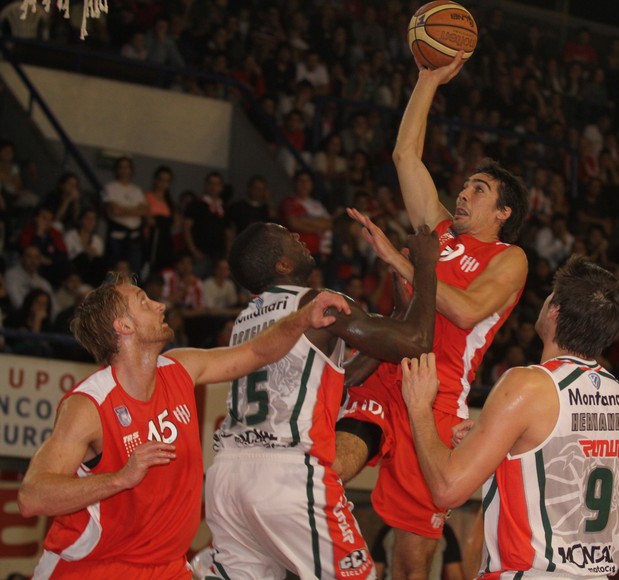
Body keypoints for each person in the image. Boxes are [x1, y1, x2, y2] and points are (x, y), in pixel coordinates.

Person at [16, 270, 351, 578]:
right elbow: (32, 496)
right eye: (144, 303)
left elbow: (256, 353)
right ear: (124, 326)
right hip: (92, 568)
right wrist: (119, 478)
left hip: (166, 568)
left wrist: (302, 318)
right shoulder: (88, 405)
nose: (161, 305)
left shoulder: (181, 367)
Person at [335, 51, 530, 578]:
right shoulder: (440, 230)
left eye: (479, 190)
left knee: (411, 555)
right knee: (328, 469)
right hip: (387, 371)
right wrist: (427, 80)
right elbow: (405, 155)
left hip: (437, 398)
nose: (463, 193)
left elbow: (466, 312)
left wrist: (401, 260)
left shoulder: (510, 260)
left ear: (503, 213)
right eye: (465, 186)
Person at [204, 222, 439, 580]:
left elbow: (336, 382)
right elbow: (418, 341)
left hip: (228, 476)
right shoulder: (314, 302)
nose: (300, 237)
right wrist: (426, 266)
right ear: (282, 266)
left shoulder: (246, 318)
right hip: (285, 472)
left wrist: (392, 321)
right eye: (290, 237)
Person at [401, 257, 619, 578]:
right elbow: (559, 456)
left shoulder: (529, 384)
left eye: (551, 295)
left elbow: (447, 488)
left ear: (555, 311)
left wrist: (419, 407)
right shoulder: (614, 392)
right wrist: (497, 436)